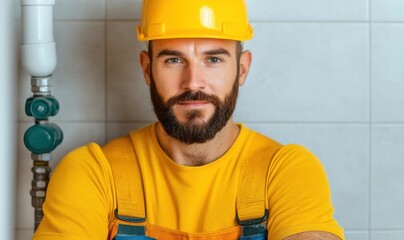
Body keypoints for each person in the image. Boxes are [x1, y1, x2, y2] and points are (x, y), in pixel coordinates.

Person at [33, 0, 344, 239]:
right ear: (147, 69)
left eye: (213, 59)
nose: (193, 82)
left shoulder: (285, 170)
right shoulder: (94, 174)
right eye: (173, 59)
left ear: (243, 69)